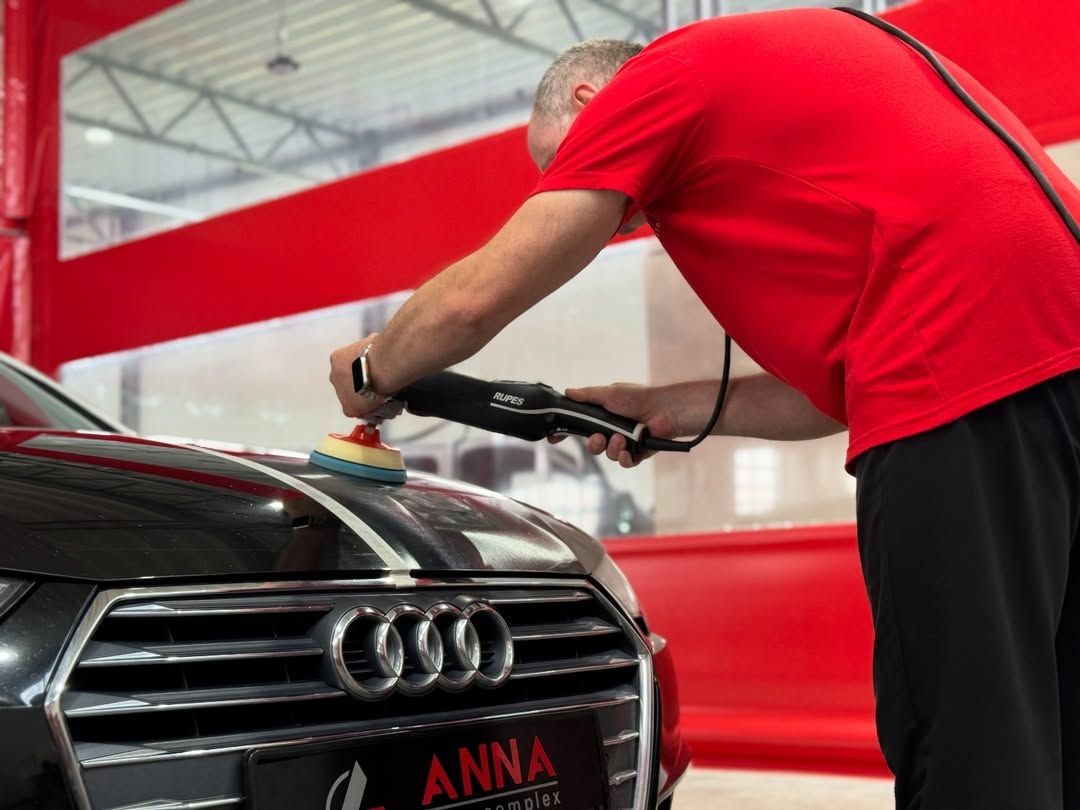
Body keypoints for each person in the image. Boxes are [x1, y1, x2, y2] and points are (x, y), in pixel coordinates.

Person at [329, 8, 1080, 808]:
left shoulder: (658, 80)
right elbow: (840, 393)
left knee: (967, 744)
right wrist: (664, 407)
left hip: (965, 378)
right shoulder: (787, 110)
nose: (577, 191)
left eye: (557, 162)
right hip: (1048, 372)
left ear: (587, 100)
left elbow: (478, 297)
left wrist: (378, 365)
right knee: (1054, 726)